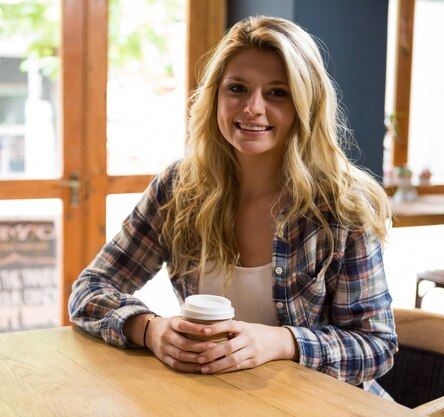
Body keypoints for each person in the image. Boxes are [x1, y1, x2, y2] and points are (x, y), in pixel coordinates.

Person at [68, 15, 397, 397]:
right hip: (218, 399)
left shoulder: (343, 206)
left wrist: (281, 343)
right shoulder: (178, 188)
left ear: (306, 105)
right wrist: (149, 329)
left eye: (278, 92)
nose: (253, 108)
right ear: (215, 97)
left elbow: (376, 347)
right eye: (237, 88)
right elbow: (89, 289)